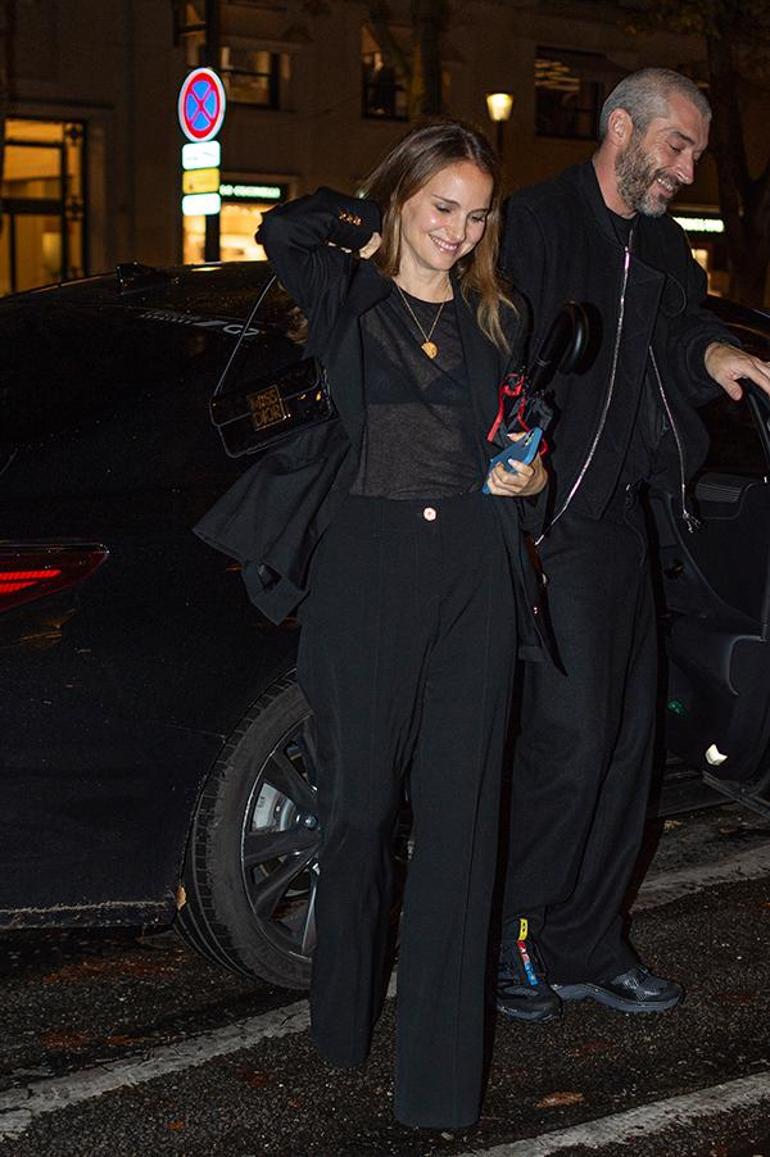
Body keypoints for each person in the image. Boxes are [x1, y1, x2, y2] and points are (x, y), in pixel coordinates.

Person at [196, 120, 547, 1128]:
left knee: (461, 825)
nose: (458, 231)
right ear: (402, 197)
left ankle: (439, 1085)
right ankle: (342, 1010)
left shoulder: (499, 316)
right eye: (443, 206)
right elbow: (283, 228)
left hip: (474, 573)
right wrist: (379, 220)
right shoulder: (345, 292)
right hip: (366, 575)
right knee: (357, 814)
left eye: (476, 215)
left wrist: (530, 478)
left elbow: (517, 437)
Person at [495, 68, 770, 1023]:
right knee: (570, 742)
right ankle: (512, 935)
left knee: (627, 746)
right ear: (621, 127)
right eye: (676, 146)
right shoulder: (537, 222)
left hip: (627, 519)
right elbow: (495, 353)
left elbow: (680, 327)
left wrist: (716, 352)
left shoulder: (661, 240)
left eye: (694, 152)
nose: (687, 169)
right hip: (552, 518)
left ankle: (588, 944)